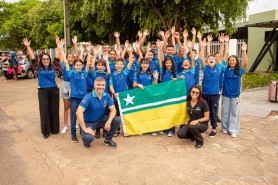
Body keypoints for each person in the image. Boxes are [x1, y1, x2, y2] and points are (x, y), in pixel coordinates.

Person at [22, 38, 60, 139]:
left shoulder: (53, 66)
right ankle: (46, 132)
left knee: (54, 110)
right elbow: (33, 57)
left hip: (54, 90)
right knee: (44, 110)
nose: (46, 60)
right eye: (44, 59)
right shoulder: (37, 67)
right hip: (43, 90)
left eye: (47, 59)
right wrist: (28, 47)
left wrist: (59, 47)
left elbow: (57, 57)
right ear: (41, 60)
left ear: (50, 60)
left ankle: (55, 129)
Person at [60, 40, 91, 143]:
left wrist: (89, 51)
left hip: (84, 98)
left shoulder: (84, 73)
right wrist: (61, 49)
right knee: (73, 116)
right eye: (76, 65)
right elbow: (65, 62)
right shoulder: (71, 73)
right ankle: (73, 134)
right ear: (74, 66)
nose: (78, 66)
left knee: (83, 115)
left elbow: (87, 63)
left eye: (80, 65)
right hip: (74, 98)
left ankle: (83, 131)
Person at [76, 77, 121, 149]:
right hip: (89, 122)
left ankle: (108, 139)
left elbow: (113, 110)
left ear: (105, 86)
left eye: (102, 85)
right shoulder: (88, 97)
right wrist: (84, 128)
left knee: (117, 120)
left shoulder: (106, 96)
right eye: (98, 85)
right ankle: (85, 139)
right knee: (88, 138)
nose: (100, 87)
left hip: (100, 119)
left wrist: (109, 122)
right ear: (94, 85)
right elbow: (79, 112)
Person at [199, 32, 225, 138]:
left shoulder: (219, 67)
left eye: (212, 59)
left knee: (214, 112)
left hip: (214, 93)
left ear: (216, 61)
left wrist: (222, 43)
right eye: (209, 59)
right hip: (205, 93)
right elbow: (201, 58)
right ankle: (204, 128)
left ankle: (214, 129)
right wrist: (203, 48)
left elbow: (221, 55)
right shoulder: (205, 68)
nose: (211, 60)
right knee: (205, 111)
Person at [221, 42, 248, 138]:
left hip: (235, 95)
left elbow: (245, 63)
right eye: (230, 60)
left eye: (233, 60)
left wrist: (244, 51)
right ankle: (224, 128)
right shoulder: (225, 69)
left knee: (234, 112)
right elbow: (223, 57)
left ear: (236, 61)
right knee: (225, 111)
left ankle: (233, 130)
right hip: (225, 94)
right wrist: (225, 43)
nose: (231, 62)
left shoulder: (239, 70)